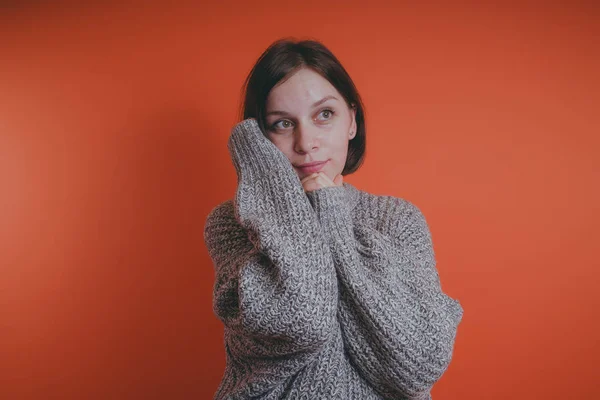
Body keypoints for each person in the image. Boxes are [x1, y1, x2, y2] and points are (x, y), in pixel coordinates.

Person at [203, 38, 464, 400]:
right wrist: (290, 199)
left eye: (324, 114)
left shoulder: (398, 220)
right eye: (281, 124)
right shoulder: (233, 225)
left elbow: (417, 365)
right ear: (260, 139)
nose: (306, 142)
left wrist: (330, 213)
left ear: (352, 121)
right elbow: (302, 322)